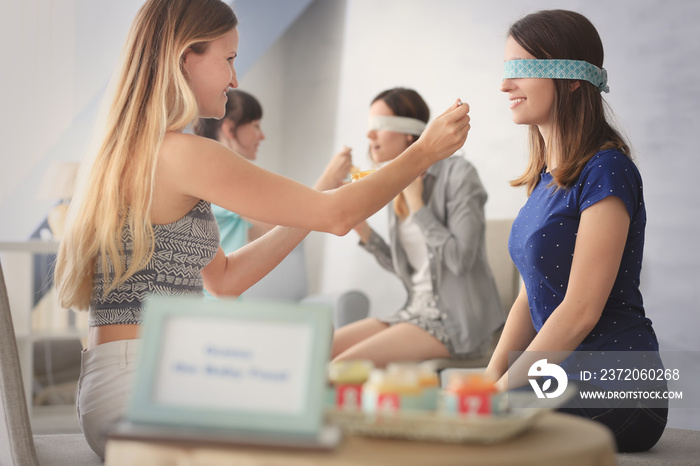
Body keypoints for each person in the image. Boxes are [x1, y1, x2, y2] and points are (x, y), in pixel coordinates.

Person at [53, 0, 470, 457]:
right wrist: (424, 152)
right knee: (339, 428)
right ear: (184, 57)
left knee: (326, 413)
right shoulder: (182, 153)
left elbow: (226, 279)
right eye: (228, 58)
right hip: (143, 385)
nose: (235, 78)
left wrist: (311, 211)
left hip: (121, 382)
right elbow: (337, 215)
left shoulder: (132, 150)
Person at [483, 9, 667, 452]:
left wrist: (500, 394)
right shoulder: (546, 180)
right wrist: (485, 383)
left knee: (484, 431)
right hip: (561, 374)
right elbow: (529, 299)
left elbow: (580, 310)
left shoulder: (607, 170)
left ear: (570, 79)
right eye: (505, 71)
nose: (505, 86)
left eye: (520, 70)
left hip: (618, 384)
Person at [330, 88, 505, 368]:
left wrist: (418, 205)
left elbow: (459, 261)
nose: (369, 135)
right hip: (412, 313)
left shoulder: (459, 175)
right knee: (320, 351)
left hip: (456, 324)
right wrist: (361, 229)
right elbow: (406, 269)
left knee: (343, 367)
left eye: (379, 126)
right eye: (368, 126)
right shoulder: (394, 182)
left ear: (409, 133)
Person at [196, 89, 272, 250]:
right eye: (256, 126)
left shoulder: (205, 172)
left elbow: (261, 231)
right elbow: (285, 222)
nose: (262, 136)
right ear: (230, 128)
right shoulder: (222, 176)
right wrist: (328, 181)